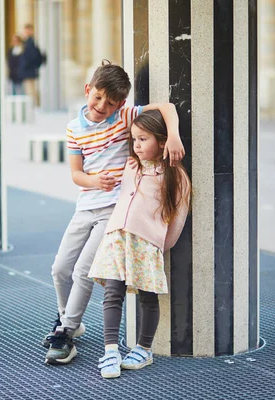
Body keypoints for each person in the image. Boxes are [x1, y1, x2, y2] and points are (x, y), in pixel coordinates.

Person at [43, 60, 185, 366]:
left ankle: (65, 333)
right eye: (97, 98)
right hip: (85, 206)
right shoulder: (74, 128)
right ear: (87, 90)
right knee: (60, 268)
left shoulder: (124, 116)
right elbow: (76, 174)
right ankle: (70, 319)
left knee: (84, 270)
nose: (101, 106)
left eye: (110, 103)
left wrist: (173, 135)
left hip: (115, 211)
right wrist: (94, 181)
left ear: (121, 103)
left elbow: (167, 107)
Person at [87, 109, 191, 378]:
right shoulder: (131, 166)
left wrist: (158, 244)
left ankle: (144, 348)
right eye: (133, 139)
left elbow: (177, 220)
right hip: (116, 237)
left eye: (143, 139)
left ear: (161, 140)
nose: (136, 145)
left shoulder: (175, 176)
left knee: (148, 296)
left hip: (146, 244)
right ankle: (110, 350)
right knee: (112, 293)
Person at [19, 24, 43, 105]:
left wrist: (26, 66)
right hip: (29, 71)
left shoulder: (30, 43)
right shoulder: (27, 42)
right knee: (30, 91)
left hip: (29, 71)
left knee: (30, 92)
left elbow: (31, 57)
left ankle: (34, 106)